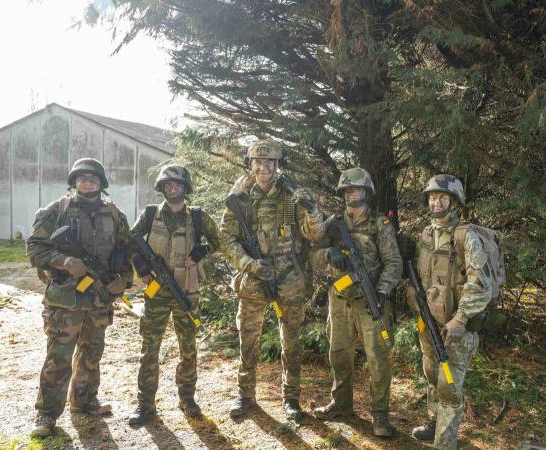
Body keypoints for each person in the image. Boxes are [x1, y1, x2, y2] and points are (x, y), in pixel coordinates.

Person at [26, 158, 132, 437]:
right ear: (74, 181)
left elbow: (127, 252)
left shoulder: (114, 214)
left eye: (93, 178)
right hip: (65, 301)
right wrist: (63, 261)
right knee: (58, 357)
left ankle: (84, 401)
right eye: (82, 177)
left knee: (91, 354)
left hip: (98, 301)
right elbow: (34, 249)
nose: (88, 182)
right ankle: (47, 414)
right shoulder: (56, 211)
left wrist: (124, 280)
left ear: (101, 183)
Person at [219, 140, 324, 421]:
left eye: (269, 163)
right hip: (254, 278)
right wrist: (249, 264)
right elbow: (226, 238)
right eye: (258, 162)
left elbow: (313, 235)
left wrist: (312, 211)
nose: (263, 167)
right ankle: (245, 397)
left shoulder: (291, 197)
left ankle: (291, 400)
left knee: (291, 341)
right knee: (248, 340)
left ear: (277, 165)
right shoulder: (240, 198)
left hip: (288, 277)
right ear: (250, 164)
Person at [311, 167, 402, 437]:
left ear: (366, 192)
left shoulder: (379, 224)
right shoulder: (333, 224)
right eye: (348, 190)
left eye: (358, 189)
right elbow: (312, 256)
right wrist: (329, 253)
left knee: (377, 359)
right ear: (343, 193)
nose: (353, 194)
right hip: (339, 299)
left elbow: (394, 263)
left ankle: (380, 415)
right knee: (339, 353)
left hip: (370, 299)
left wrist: (382, 292)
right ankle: (341, 405)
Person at [127, 164, 221, 425]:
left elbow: (221, 241)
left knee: (188, 347)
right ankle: (145, 405)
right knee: (149, 349)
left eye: (177, 184)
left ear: (185, 188)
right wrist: (141, 266)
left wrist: (204, 250)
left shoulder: (199, 217)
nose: (173, 188)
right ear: (162, 188)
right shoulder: (149, 215)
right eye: (168, 184)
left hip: (187, 292)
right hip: (156, 292)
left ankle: (187, 399)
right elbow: (130, 241)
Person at [409, 174, 492, 449]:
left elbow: (480, 284)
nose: (436, 202)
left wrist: (460, 319)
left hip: (456, 329)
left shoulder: (466, 236)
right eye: (432, 197)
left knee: (449, 388)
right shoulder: (426, 233)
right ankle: (434, 424)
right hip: (430, 322)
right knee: (432, 376)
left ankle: (445, 443)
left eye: (442, 197)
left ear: (455, 203)